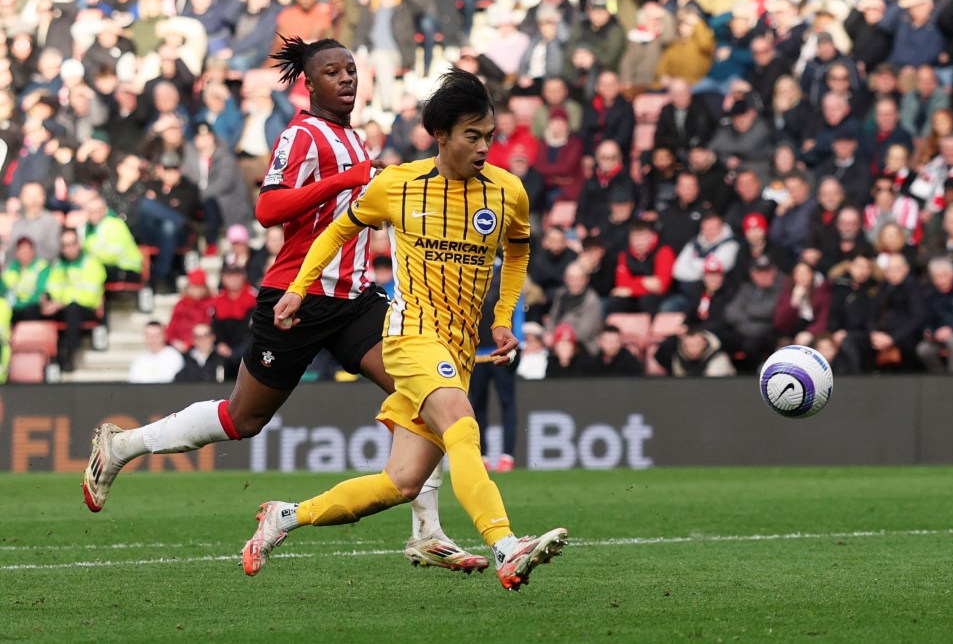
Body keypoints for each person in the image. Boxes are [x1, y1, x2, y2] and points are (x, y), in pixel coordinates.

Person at [82, 38, 484, 574]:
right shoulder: (302, 135)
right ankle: (123, 445)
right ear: (309, 84)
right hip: (297, 296)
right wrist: (345, 179)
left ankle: (427, 531)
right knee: (243, 417)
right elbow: (267, 208)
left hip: (355, 299)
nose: (346, 79)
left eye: (351, 70)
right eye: (332, 72)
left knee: (425, 392)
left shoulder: (355, 138)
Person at [255, 69, 567, 590]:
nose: (485, 147)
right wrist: (297, 288)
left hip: (460, 347)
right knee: (463, 426)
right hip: (411, 334)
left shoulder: (509, 191)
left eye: (490, 135)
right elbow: (338, 230)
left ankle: (284, 517)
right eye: (473, 135)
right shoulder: (397, 184)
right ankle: (506, 545)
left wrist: (503, 316)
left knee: (401, 482)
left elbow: (518, 250)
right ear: (440, 135)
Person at [469, 260, 522, 473]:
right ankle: (483, 456)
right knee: (478, 405)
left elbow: (516, 307)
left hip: (499, 350)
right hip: (478, 354)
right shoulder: (471, 268)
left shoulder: (504, 272)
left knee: (505, 402)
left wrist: (516, 345)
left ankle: (506, 456)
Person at [41, 228, 106, 372]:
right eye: (65, 245)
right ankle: (44, 360)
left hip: (87, 308)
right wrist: (47, 302)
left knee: (73, 309)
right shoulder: (58, 265)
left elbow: (89, 296)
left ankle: (69, 356)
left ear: (79, 243)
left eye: (72, 244)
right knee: (36, 311)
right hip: (63, 306)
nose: (70, 248)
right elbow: (53, 287)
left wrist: (62, 302)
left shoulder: (92, 263)